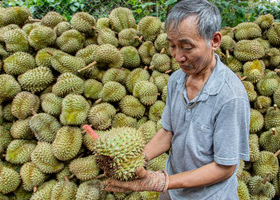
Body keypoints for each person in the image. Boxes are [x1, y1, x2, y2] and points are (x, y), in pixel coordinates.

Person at [104, 0, 250, 199]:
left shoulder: (231, 96)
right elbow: (168, 132)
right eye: (172, 46)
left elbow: (225, 167)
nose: (178, 57)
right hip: (173, 190)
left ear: (214, 41)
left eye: (187, 47)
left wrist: (161, 181)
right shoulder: (176, 80)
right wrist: (135, 161)